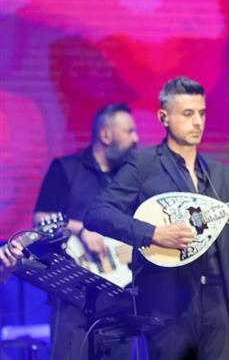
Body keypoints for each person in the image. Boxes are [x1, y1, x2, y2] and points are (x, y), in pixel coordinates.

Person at [84, 77, 229, 360]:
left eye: (202, 113)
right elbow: (97, 214)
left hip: (218, 304)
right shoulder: (144, 164)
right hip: (168, 306)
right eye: (187, 114)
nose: (197, 122)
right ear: (163, 117)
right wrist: (153, 234)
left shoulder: (222, 174)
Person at [33, 103, 139, 360]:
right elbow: (40, 219)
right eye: (129, 131)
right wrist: (81, 229)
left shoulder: (131, 179)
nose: (136, 138)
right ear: (106, 135)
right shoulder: (66, 168)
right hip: (73, 297)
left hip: (119, 297)